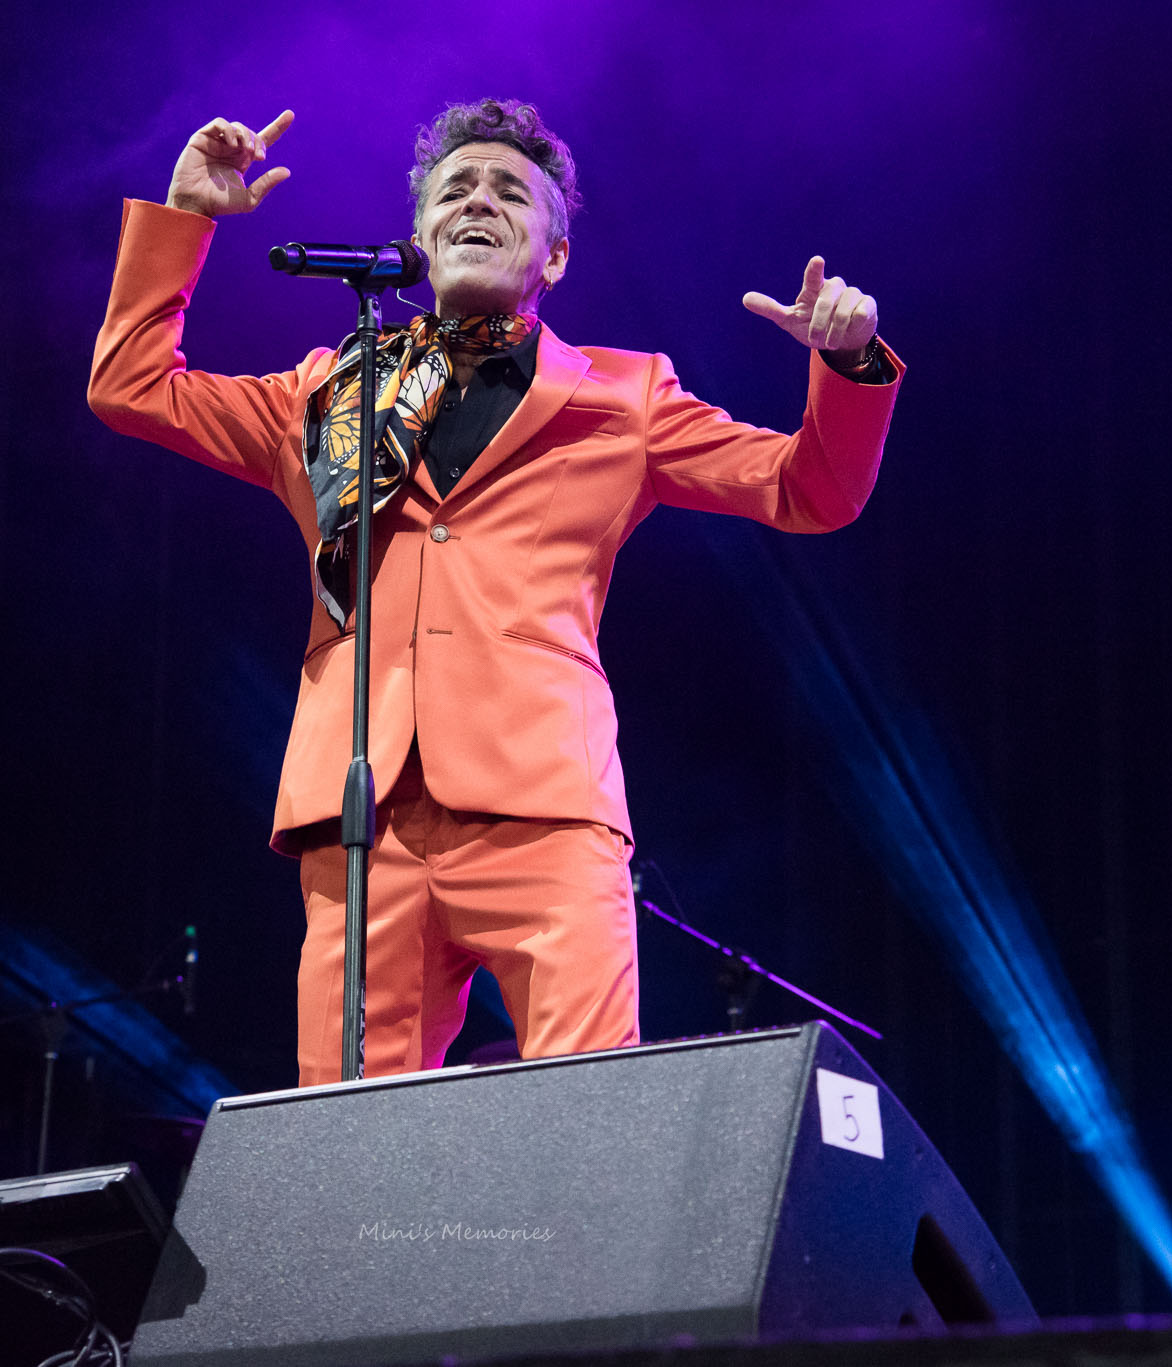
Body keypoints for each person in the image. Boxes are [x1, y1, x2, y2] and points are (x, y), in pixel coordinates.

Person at [89, 98, 901, 1087]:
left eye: (510, 192)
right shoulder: (325, 395)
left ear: (553, 256)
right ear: (421, 238)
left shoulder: (623, 397)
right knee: (348, 1137)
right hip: (362, 814)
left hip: (545, 805)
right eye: (455, 190)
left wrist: (847, 362)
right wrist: (186, 219)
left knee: (582, 1110)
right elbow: (131, 389)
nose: (478, 201)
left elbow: (810, 489)